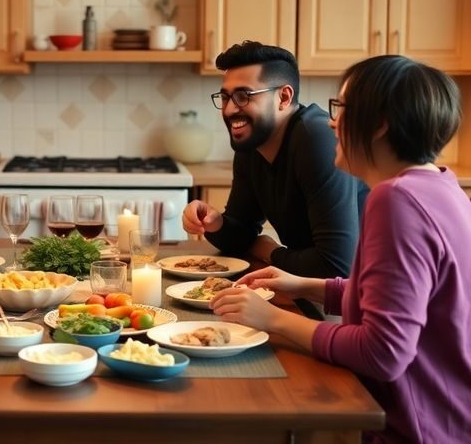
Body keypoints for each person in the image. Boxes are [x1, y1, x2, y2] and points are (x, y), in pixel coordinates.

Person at [211, 55, 471, 443]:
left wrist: (273, 319)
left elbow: (383, 352)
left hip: (417, 428)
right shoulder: (441, 186)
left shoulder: (396, 200)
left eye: (341, 108)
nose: (332, 122)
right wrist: (305, 286)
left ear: (380, 124)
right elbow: (404, 300)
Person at [182, 41, 366, 278]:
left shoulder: (317, 140)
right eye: (225, 97)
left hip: (359, 300)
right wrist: (215, 222)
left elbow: (335, 267)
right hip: (310, 290)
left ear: (284, 97)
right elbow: (243, 235)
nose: (228, 110)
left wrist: (270, 251)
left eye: (243, 96)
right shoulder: (252, 144)